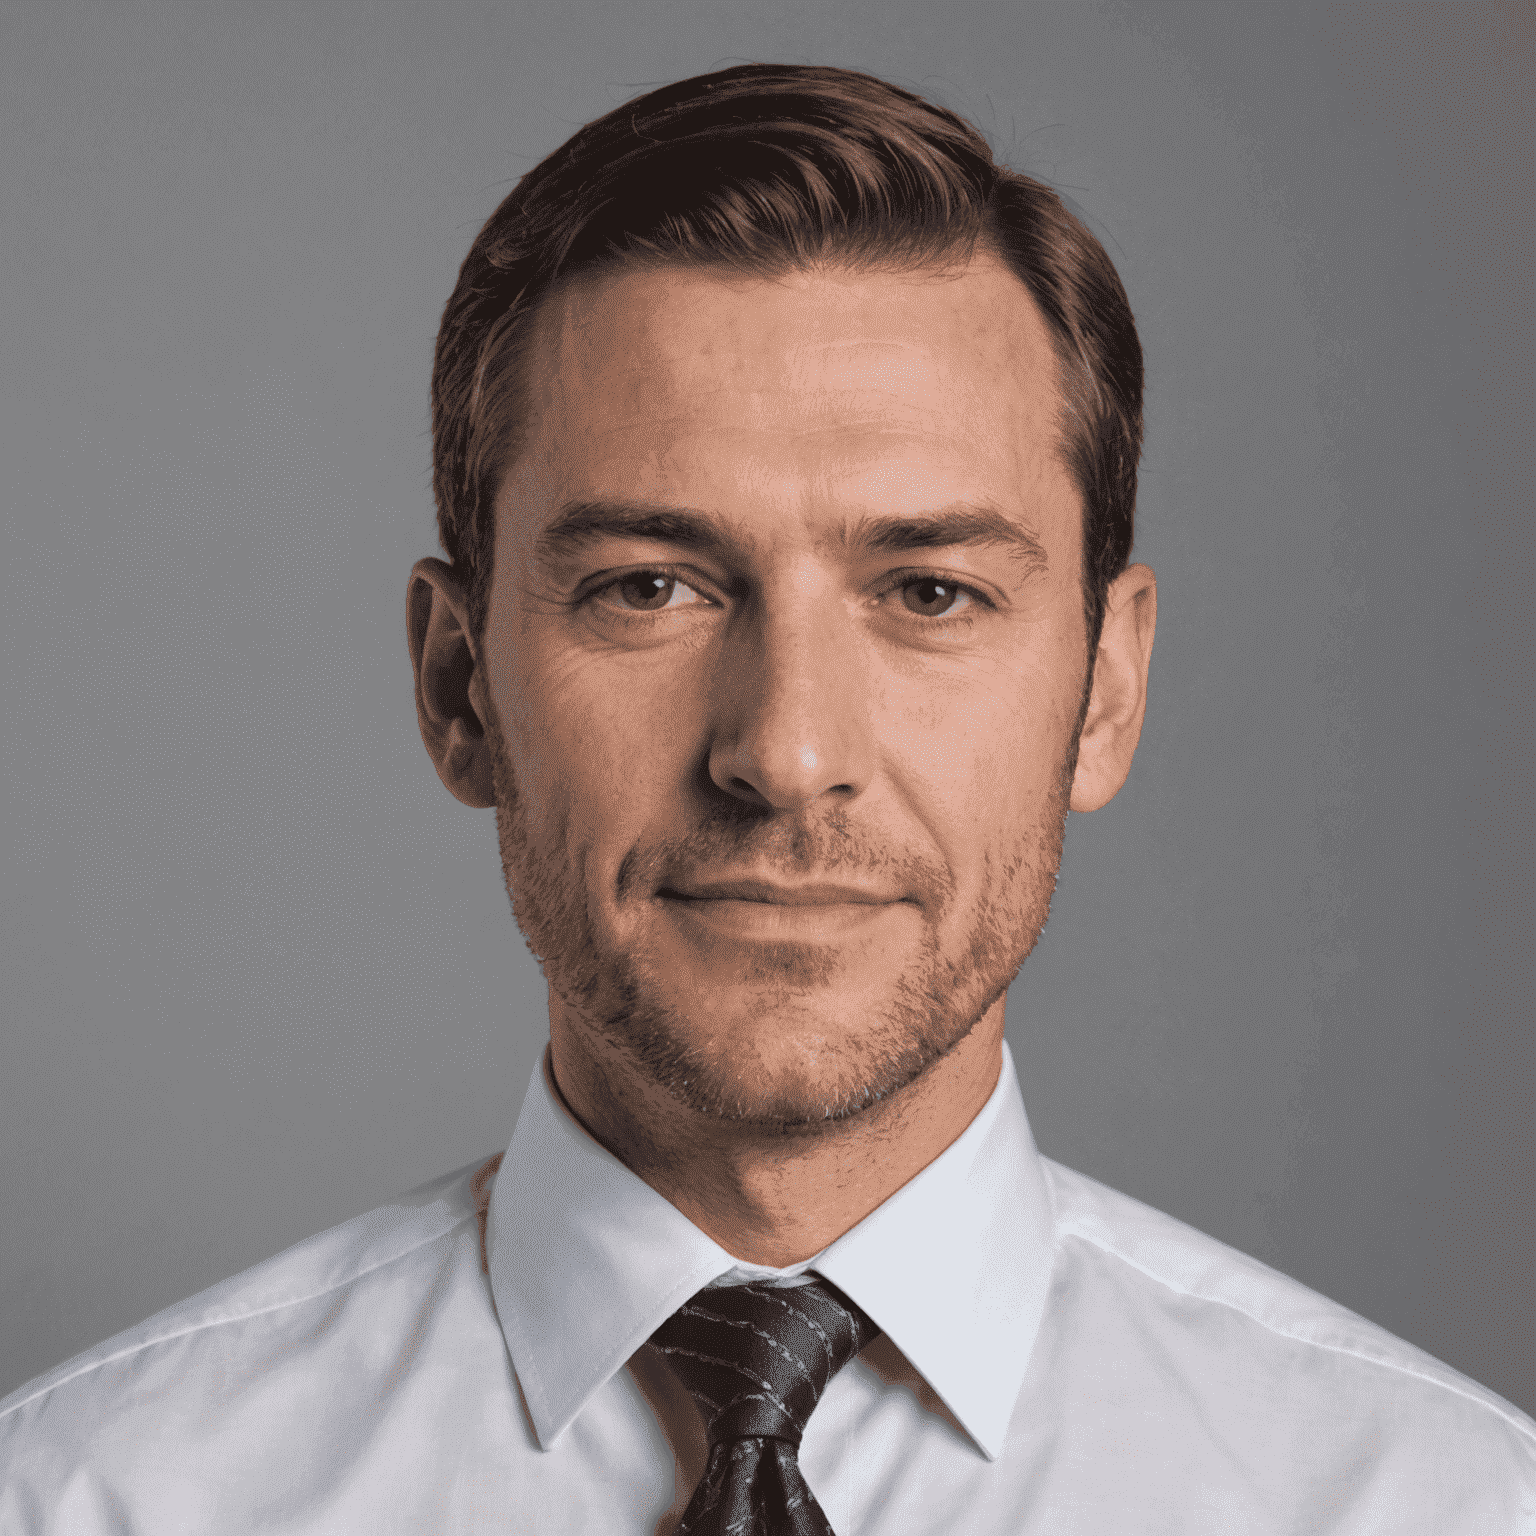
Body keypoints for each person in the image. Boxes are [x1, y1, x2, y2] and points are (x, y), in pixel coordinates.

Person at [1, 62, 1530, 1535]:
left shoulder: (1446, 1507)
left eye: (930, 591)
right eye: (649, 588)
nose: (785, 753)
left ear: (1105, 691)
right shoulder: (83, 1501)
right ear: (460, 687)